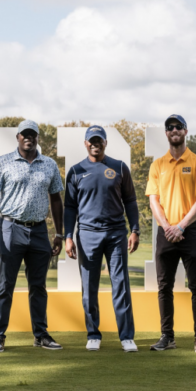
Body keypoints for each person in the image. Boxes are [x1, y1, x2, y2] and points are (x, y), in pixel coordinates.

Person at [0, 119, 65, 353]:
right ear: (17, 137)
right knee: (5, 284)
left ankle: (41, 335)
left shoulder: (49, 165)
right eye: (24, 134)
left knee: (38, 286)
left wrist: (59, 233)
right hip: (10, 228)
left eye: (33, 134)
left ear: (38, 137)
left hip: (39, 230)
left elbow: (56, 199)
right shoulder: (3, 162)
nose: (28, 137)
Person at [64, 126, 140, 352]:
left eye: (99, 140)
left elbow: (131, 202)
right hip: (87, 235)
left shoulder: (119, 168)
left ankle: (126, 337)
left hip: (116, 234)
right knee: (89, 287)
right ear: (85, 143)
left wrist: (134, 230)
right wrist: (68, 237)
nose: (95, 144)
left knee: (121, 285)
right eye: (91, 140)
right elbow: (69, 208)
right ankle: (93, 334)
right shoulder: (76, 171)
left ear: (105, 142)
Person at [145, 114, 196, 353]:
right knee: (164, 287)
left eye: (178, 127)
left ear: (185, 131)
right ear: (166, 133)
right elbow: (154, 202)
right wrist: (167, 227)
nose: (174, 130)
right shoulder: (157, 165)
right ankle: (167, 337)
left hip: (190, 231)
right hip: (166, 231)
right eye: (169, 127)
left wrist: (181, 226)